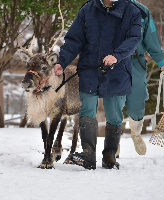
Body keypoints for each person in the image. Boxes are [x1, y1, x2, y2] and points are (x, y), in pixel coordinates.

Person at [54, 0, 142, 169]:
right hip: (89, 68)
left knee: (114, 113)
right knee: (87, 109)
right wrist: (62, 62)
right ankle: (88, 155)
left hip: (118, 70)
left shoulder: (132, 11)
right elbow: (74, 39)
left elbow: (134, 38)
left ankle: (110, 155)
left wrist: (116, 55)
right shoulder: (88, 9)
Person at [116, 0, 164, 157]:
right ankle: (113, 142)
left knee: (137, 101)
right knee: (114, 102)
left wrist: (162, 64)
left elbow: (151, 39)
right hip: (112, 62)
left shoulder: (142, 11)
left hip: (136, 61)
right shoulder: (105, 7)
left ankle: (135, 133)